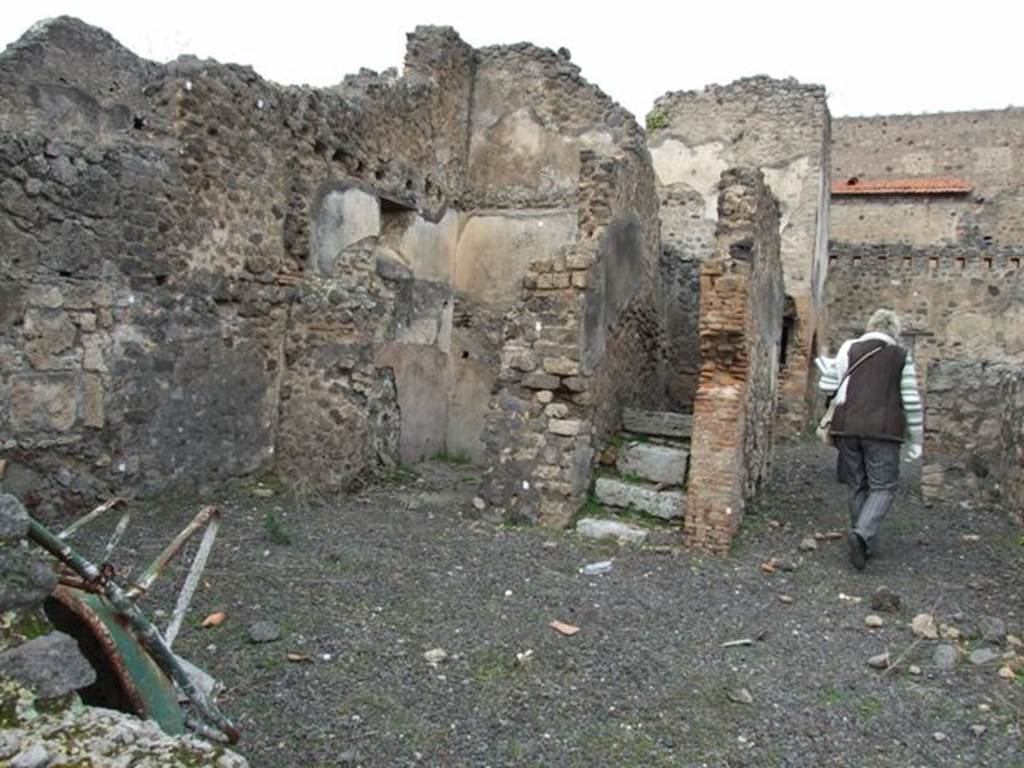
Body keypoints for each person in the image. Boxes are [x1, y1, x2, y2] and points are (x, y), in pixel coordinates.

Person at [816, 309, 923, 570]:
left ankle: (865, 544)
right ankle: (862, 534)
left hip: (846, 427)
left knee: (857, 485)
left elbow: (826, 387)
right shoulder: (900, 356)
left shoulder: (848, 349)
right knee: (883, 486)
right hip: (884, 431)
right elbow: (910, 399)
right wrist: (917, 439)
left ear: (869, 326)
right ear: (894, 332)